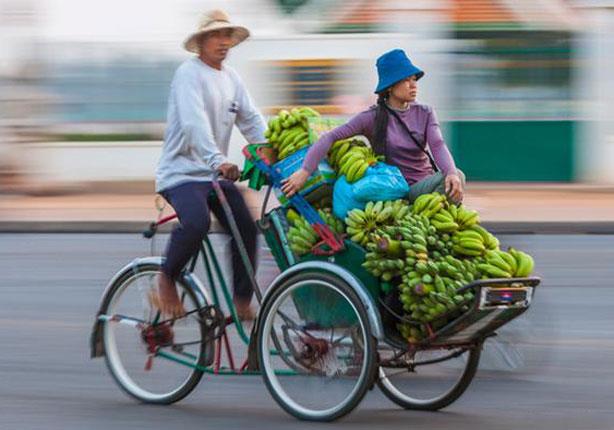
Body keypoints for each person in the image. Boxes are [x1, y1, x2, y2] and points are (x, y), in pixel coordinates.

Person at [153, 9, 266, 320]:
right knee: (197, 223)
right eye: (217, 35)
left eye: (227, 35)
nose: (224, 41)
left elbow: (252, 120)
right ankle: (167, 276)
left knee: (246, 226)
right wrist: (218, 160)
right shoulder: (187, 75)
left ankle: (242, 301)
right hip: (181, 173)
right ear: (201, 41)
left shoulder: (232, 79)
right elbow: (193, 125)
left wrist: (272, 150)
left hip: (213, 175)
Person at [281, 49, 464, 203]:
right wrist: (304, 172)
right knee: (453, 178)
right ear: (390, 86)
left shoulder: (425, 112)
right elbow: (330, 137)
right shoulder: (371, 117)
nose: (413, 85)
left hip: (426, 182)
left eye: (414, 79)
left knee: (456, 176)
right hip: (397, 188)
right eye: (406, 80)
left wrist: (450, 173)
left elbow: (438, 145)